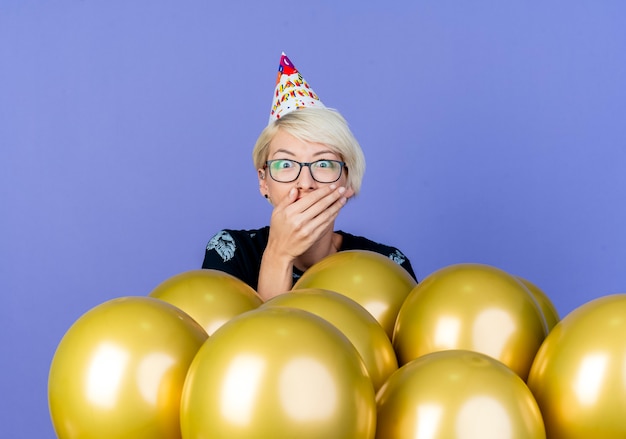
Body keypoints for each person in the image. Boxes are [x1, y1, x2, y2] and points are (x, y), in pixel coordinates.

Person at [202, 53, 416, 300]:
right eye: (286, 164)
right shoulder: (230, 251)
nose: (305, 183)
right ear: (264, 181)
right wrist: (278, 255)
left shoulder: (387, 266)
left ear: (347, 180)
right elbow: (255, 339)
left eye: (323, 163)